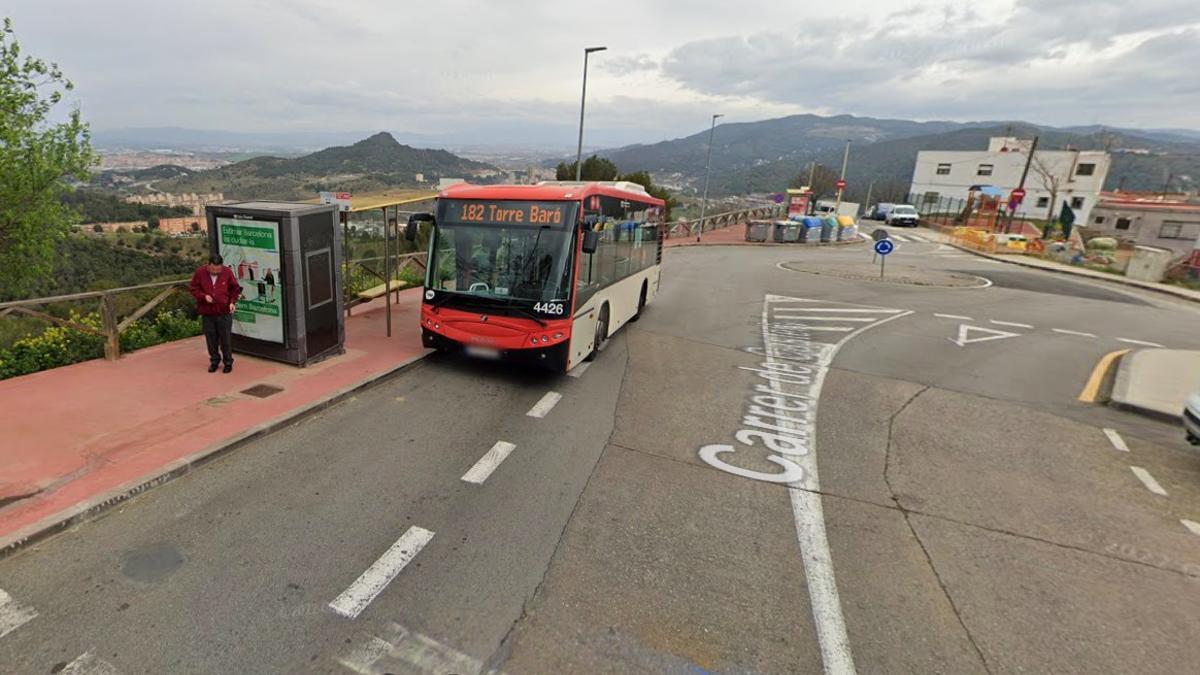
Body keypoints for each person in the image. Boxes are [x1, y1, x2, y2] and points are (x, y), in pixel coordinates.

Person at [189, 254, 242, 373]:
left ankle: (228, 362)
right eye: (213, 269)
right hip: (207, 312)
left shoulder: (227, 272)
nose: (215, 272)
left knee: (225, 339)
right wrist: (203, 296)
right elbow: (193, 288)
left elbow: (235, 289)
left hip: (224, 312)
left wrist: (232, 302)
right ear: (208, 265)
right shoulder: (200, 272)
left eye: (218, 270)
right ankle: (214, 361)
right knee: (211, 339)